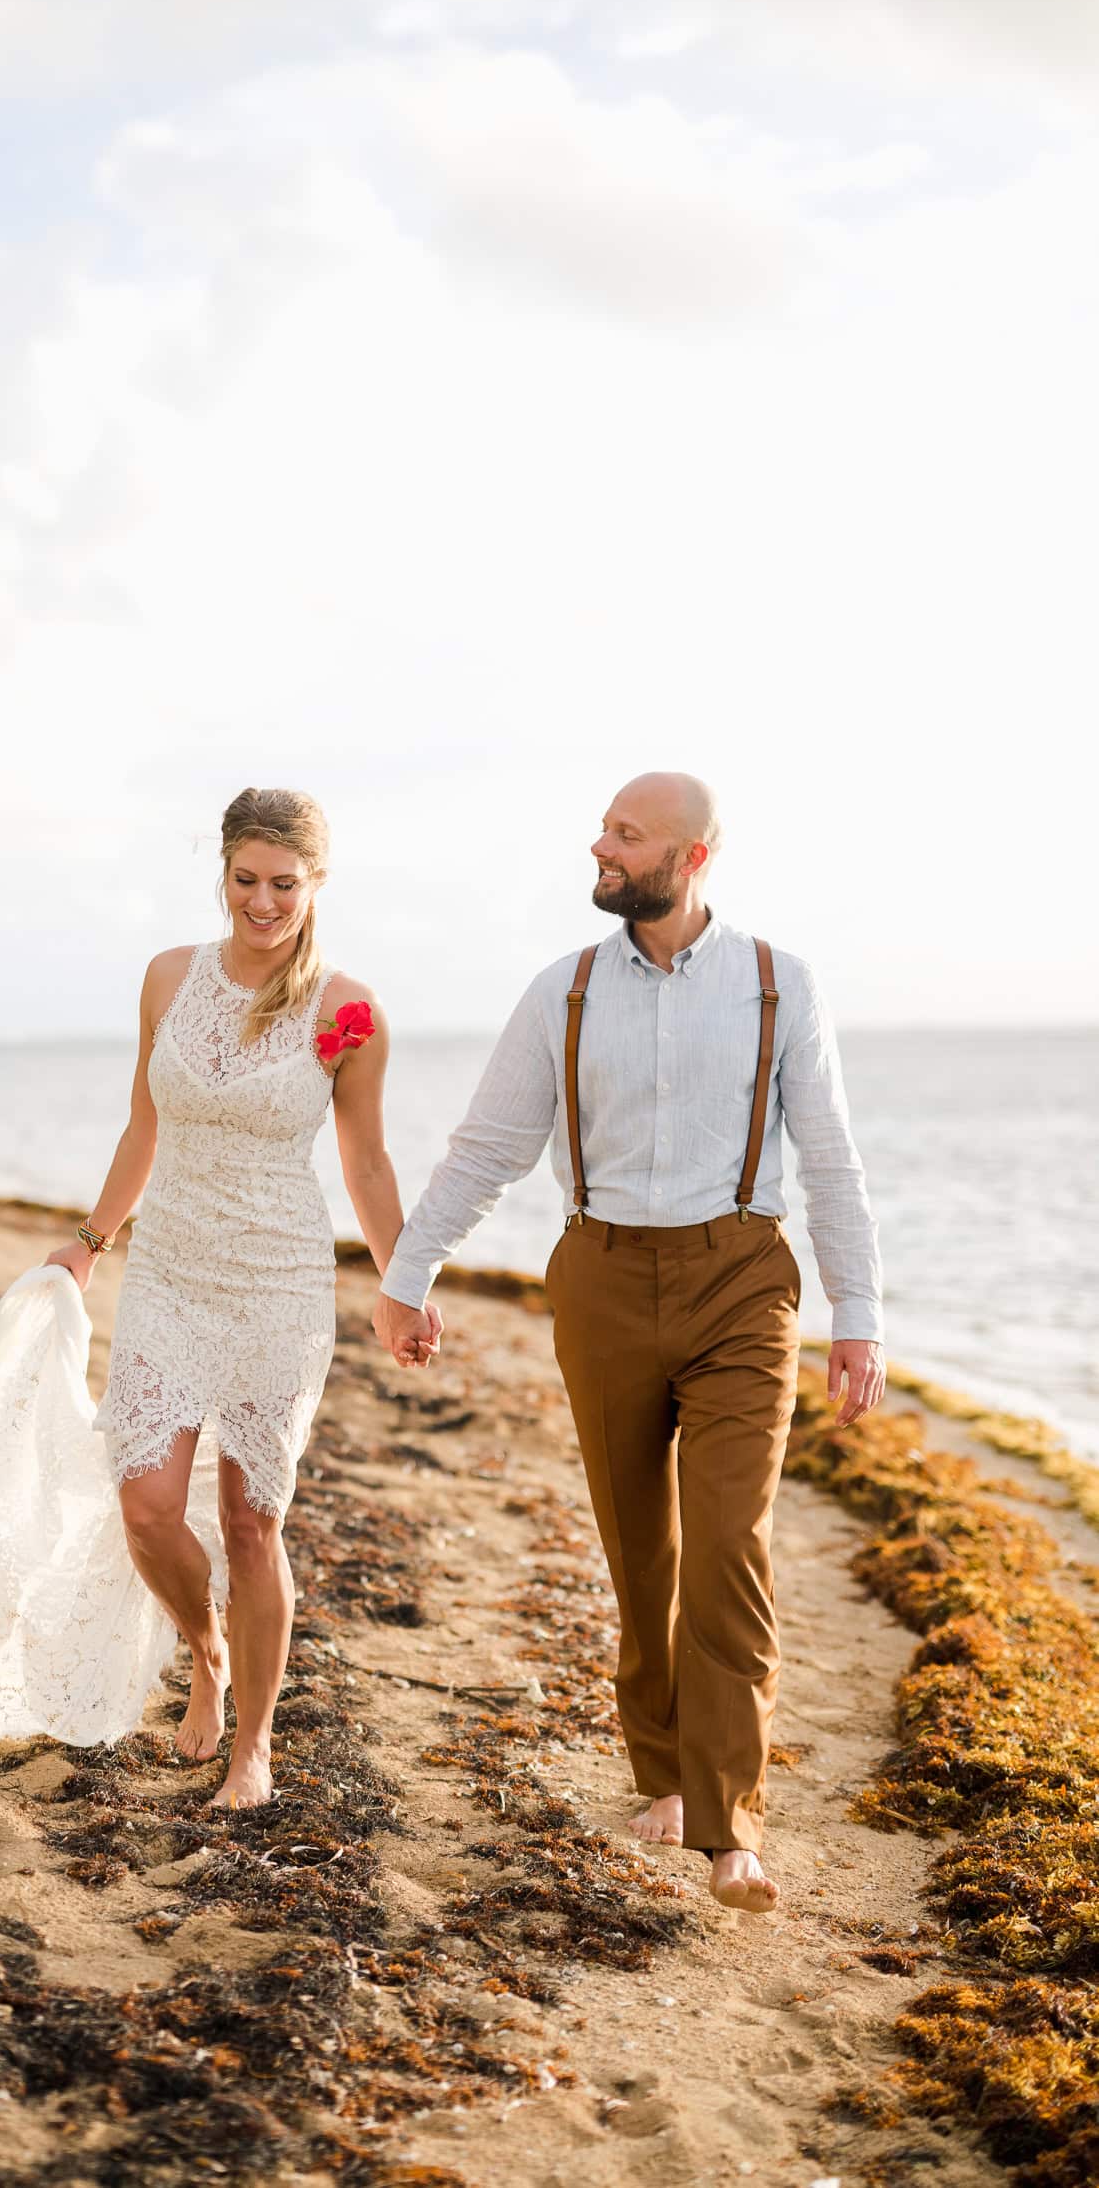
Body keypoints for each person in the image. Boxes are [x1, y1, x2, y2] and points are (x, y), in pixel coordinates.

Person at [371, 772, 884, 1912]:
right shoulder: (562, 993)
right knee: (638, 1547)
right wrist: (408, 1275)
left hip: (743, 1282)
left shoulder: (776, 984)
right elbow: (488, 1148)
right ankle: (661, 1772)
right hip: (600, 1278)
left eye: (624, 834)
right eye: (605, 828)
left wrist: (859, 1314)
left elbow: (834, 1158)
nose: (598, 847)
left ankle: (729, 1824)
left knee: (727, 1544)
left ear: (690, 857)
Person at [26, 785, 434, 1809]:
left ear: (316, 884)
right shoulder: (169, 977)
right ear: (223, 873)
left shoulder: (349, 1010)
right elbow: (140, 1127)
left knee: (251, 1523)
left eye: (283, 884)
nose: (263, 902)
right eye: (246, 880)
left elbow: (370, 1163)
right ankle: (204, 1649)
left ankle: (253, 1745)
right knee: (147, 1502)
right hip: (168, 1266)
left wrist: (403, 1282)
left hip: (280, 1282)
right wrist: (89, 1241)